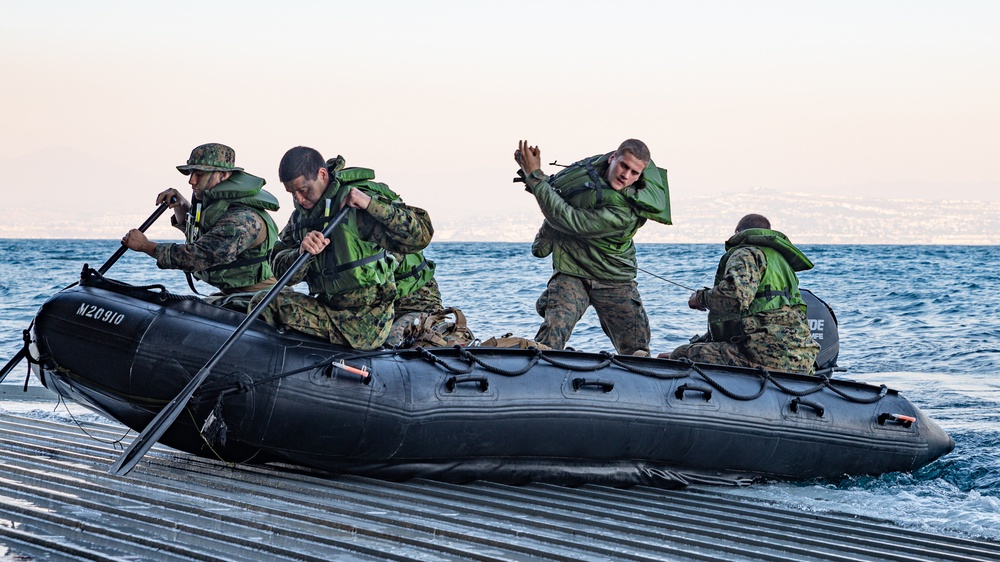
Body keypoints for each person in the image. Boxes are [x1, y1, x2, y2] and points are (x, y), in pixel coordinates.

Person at [251, 147, 433, 350]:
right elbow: (280, 270)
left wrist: (370, 205)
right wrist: (301, 253)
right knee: (262, 301)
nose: (299, 199)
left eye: (303, 190)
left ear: (321, 174)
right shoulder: (300, 218)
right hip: (333, 307)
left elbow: (421, 236)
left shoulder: (356, 208)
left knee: (269, 305)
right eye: (292, 193)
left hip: (367, 320)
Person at [515, 139, 671, 356]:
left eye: (635, 173)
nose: (626, 175)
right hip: (572, 271)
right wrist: (530, 172)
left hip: (613, 279)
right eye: (624, 166)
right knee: (550, 337)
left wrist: (535, 176)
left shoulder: (624, 213)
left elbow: (569, 218)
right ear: (612, 158)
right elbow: (560, 196)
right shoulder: (590, 175)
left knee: (637, 350)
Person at [662, 214, 821, 374]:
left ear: (737, 232)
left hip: (765, 357)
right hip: (802, 359)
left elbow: (736, 296)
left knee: (680, 354)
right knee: (692, 350)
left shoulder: (746, 253)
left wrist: (700, 298)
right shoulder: (781, 262)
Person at [121, 143, 280, 296]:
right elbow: (200, 232)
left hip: (260, 299)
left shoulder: (242, 218)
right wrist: (181, 205)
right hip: (235, 295)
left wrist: (145, 246)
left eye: (199, 174)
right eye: (191, 173)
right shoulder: (219, 207)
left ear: (223, 175)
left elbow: (199, 255)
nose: (191, 181)